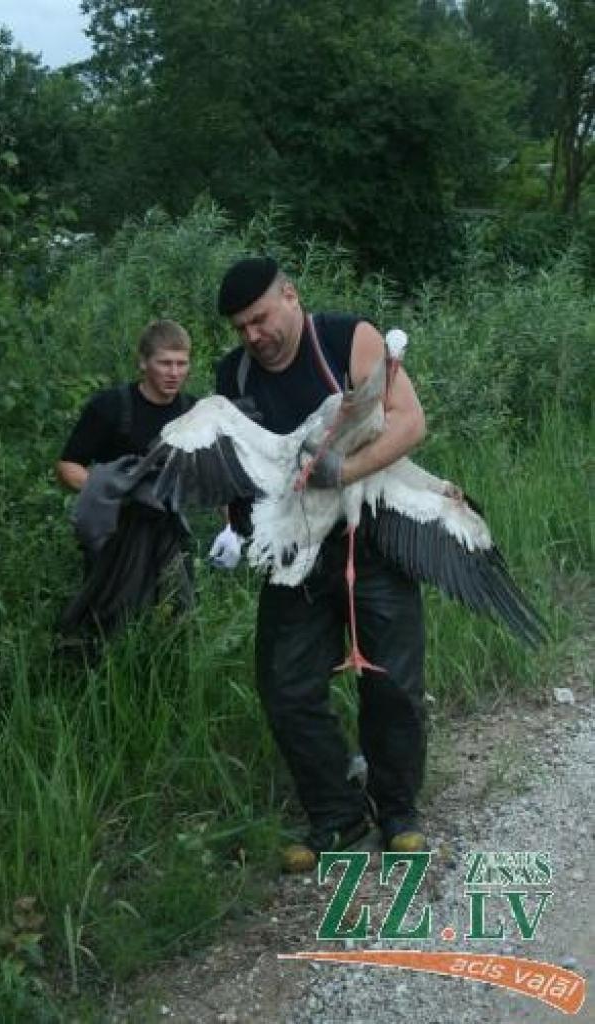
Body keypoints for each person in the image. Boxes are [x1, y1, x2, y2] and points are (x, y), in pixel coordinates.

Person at [214, 256, 427, 872]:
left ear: (290, 294)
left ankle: (397, 812)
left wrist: (342, 472)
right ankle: (337, 815)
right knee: (286, 688)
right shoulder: (234, 376)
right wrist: (235, 528)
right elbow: (239, 464)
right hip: (295, 549)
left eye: (259, 318)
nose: (254, 335)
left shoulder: (345, 338)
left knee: (392, 683)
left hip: (371, 532)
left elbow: (411, 422)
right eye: (241, 328)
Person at [56, 319, 197, 634]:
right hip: (115, 531)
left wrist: (232, 526)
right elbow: (68, 466)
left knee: (177, 618)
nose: (174, 373)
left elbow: (218, 475)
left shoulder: (194, 413)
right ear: (143, 362)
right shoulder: (111, 407)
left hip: (168, 530)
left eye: (182, 364)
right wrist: (114, 489)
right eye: (165, 363)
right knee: (106, 622)